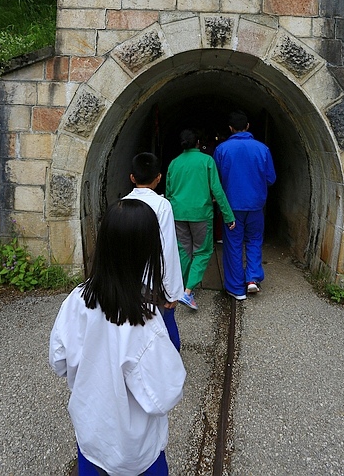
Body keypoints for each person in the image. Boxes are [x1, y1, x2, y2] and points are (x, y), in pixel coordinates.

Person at [49, 199, 186, 476]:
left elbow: (58, 361)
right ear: (149, 252)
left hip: (90, 438)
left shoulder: (77, 298)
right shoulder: (144, 321)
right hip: (134, 454)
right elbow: (165, 394)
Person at [166, 129, 236, 311]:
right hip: (201, 214)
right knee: (203, 251)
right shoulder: (206, 161)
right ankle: (187, 292)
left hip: (178, 214)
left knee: (184, 250)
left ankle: (177, 288)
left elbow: (169, 192)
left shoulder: (174, 164)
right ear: (198, 142)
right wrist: (228, 216)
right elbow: (217, 190)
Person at [123, 152, 184, 351]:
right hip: (154, 282)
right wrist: (172, 291)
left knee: (132, 325)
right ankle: (170, 364)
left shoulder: (121, 205)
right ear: (159, 178)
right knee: (165, 323)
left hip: (128, 280)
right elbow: (168, 250)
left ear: (132, 177)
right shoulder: (162, 206)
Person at [214, 110, 276, 300]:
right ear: (248, 126)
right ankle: (252, 279)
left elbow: (216, 180)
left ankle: (235, 287)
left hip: (231, 206)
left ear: (230, 128)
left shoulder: (222, 149)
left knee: (233, 244)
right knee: (254, 240)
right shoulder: (262, 149)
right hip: (256, 205)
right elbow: (271, 178)